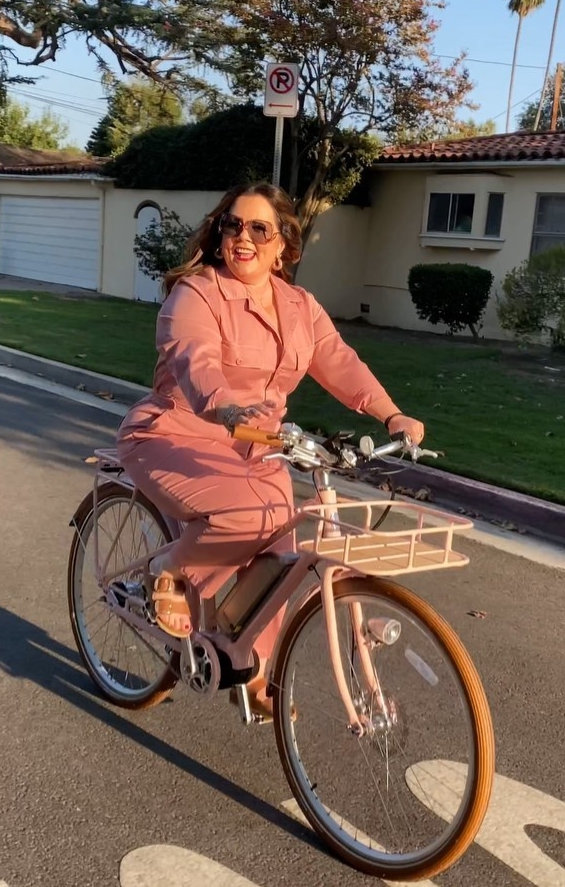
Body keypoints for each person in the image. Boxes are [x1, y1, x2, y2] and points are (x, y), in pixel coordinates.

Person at [116, 182, 425, 719]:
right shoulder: (197, 293)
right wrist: (223, 408)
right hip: (175, 433)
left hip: (260, 450)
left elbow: (337, 358)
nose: (244, 238)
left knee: (282, 552)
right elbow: (195, 358)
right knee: (244, 518)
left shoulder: (299, 306)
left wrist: (390, 413)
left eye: (260, 229)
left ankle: (251, 666)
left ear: (284, 244)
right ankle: (166, 570)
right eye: (233, 225)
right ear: (219, 235)